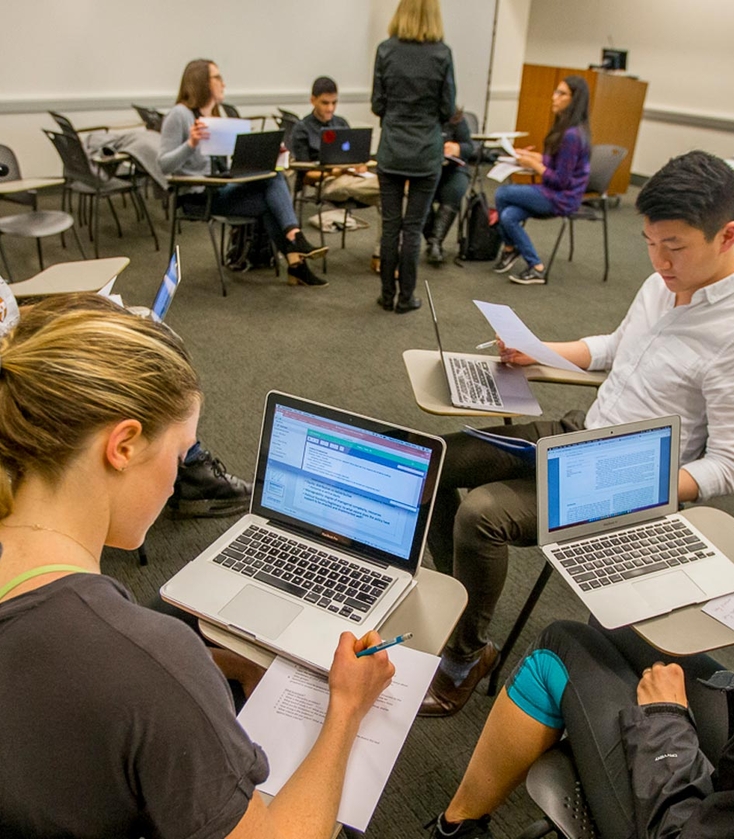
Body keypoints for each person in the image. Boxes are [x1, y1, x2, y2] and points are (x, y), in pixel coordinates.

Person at [0, 294, 394, 838]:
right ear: (124, 445)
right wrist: (348, 707)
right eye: (182, 455)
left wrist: (220, 665)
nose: (179, 478)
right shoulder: (149, 660)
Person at [420, 150, 734, 717]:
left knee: (481, 515)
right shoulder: (664, 283)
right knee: (432, 460)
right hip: (580, 431)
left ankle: (465, 655)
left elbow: (726, 465)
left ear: (727, 237)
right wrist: (537, 352)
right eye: (649, 244)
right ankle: (461, 604)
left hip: (626, 478)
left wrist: (644, 484)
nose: (659, 262)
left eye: (675, 248)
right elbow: (616, 347)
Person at [429, 620, 734, 839]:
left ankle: (456, 827)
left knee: (557, 647)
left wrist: (665, 721)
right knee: (615, 622)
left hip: (681, 824)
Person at [159, 58, 329, 288]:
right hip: (196, 196)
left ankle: (296, 259)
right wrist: (191, 143)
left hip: (219, 187)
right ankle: (295, 246)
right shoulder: (179, 115)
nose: (223, 83)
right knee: (273, 190)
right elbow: (163, 165)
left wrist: (265, 154)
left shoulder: (218, 115)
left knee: (272, 181)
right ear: (202, 82)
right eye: (217, 77)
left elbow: (228, 160)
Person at [371, 0, 456, 313]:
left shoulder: (385, 50)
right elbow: (448, 109)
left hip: (392, 149)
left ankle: (386, 295)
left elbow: (377, 105)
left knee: (391, 227)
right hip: (425, 153)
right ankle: (406, 298)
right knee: (413, 229)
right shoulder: (442, 54)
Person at [493, 75, 591, 286]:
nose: (554, 97)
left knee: (502, 194)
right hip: (551, 192)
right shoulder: (569, 129)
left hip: (561, 198)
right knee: (509, 215)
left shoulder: (572, 136)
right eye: (556, 92)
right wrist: (533, 158)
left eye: (561, 94)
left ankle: (510, 249)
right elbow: (557, 163)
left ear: (574, 100)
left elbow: (561, 180)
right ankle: (536, 267)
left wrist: (535, 166)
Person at [290, 76, 383, 274]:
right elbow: (305, 175)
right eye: (325, 103)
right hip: (325, 183)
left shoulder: (341, 123)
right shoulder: (302, 128)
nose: (330, 108)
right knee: (389, 188)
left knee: (388, 200)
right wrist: (334, 171)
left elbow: (354, 158)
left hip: (352, 179)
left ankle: (380, 255)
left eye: (334, 103)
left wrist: (359, 167)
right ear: (313, 100)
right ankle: (396, 185)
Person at [423, 108, 473, 266]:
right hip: (424, 169)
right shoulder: (418, 116)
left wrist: (458, 148)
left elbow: (469, 147)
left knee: (455, 190)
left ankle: (435, 242)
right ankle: (433, 242)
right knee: (420, 194)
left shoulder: (456, 118)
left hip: (452, 169)